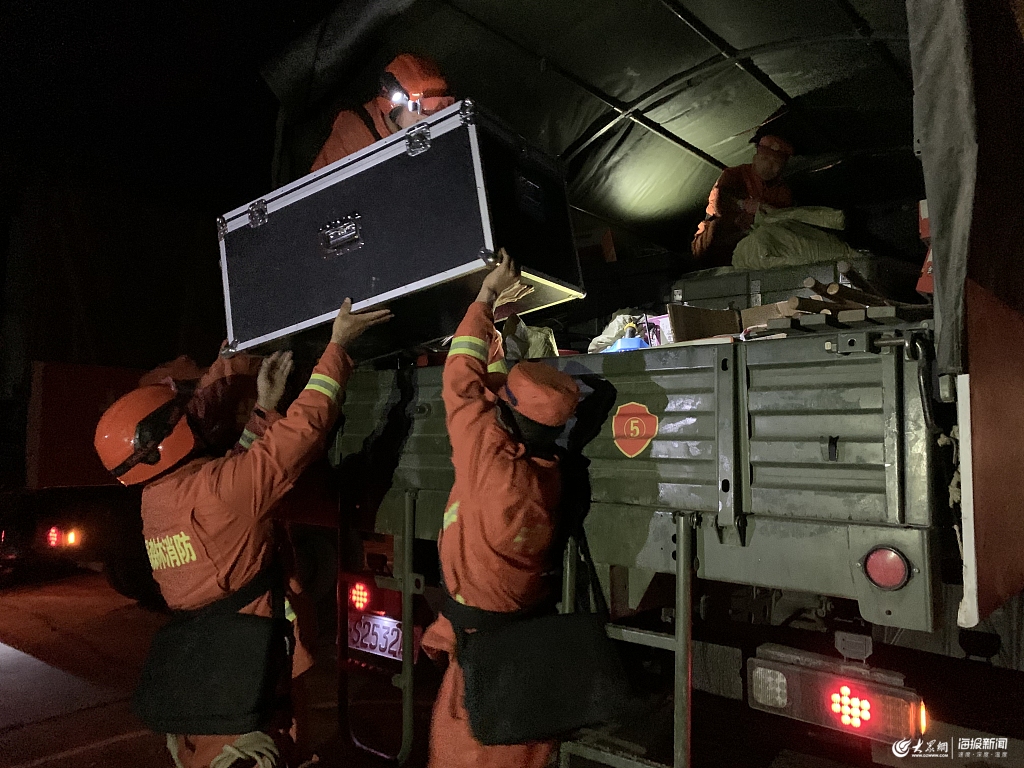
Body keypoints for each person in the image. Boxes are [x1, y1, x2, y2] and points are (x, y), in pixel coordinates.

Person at [93, 299, 392, 768]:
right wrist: (338, 347)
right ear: (167, 440)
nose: (192, 418)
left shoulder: (158, 500)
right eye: (182, 418)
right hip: (251, 689)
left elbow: (232, 479)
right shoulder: (216, 493)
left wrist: (264, 407)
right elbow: (303, 432)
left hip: (214, 682)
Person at [421, 250, 581, 768]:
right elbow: (492, 393)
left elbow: (461, 382)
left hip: (479, 668)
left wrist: (485, 297)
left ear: (506, 418)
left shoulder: (490, 462)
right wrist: (495, 328)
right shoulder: (546, 472)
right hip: (514, 654)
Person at [310, 53, 454, 172]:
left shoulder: (442, 129)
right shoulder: (353, 136)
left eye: (441, 105)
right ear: (395, 104)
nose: (431, 116)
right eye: (425, 107)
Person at [691, 134, 794, 267]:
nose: (769, 165)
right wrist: (742, 206)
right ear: (755, 157)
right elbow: (719, 202)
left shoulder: (783, 191)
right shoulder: (734, 175)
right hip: (719, 242)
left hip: (757, 244)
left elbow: (785, 219)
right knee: (717, 229)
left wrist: (761, 213)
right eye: (765, 158)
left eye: (776, 162)